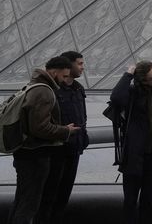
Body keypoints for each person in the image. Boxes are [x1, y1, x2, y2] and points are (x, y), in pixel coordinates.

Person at [9, 56, 79, 224]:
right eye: (63, 76)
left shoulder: (32, 86)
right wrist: (65, 131)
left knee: (22, 200)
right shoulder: (44, 91)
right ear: (54, 72)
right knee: (29, 204)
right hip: (35, 155)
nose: (63, 81)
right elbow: (39, 127)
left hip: (25, 153)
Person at [110, 60, 152, 224]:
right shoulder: (133, 94)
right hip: (134, 155)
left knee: (147, 201)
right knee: (130, 201)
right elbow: (117, 98)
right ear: (142, 81)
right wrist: (128, 74)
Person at [48, 50, 87, 221]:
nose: (82, 67)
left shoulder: (79, 89)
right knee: (50, 195)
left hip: (74, 148)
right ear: (68, 65)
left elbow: (82, 117)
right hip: (57, 150)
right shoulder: (52, 90)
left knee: (64, 194)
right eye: (79, 63)